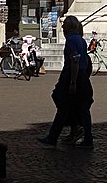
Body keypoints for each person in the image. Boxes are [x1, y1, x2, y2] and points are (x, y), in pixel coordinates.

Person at [40, 15, 94, 147]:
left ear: (69, 27)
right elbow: (85, 61)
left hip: (72, 75)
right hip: (81, 76)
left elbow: (74, 61)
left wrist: (73, 82)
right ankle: (79, 133)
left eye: (64, 25)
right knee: (78, 107)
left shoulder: (71, 41)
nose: (62, 27)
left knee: (63, 103)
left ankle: (54, 137)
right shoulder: (81, 40)